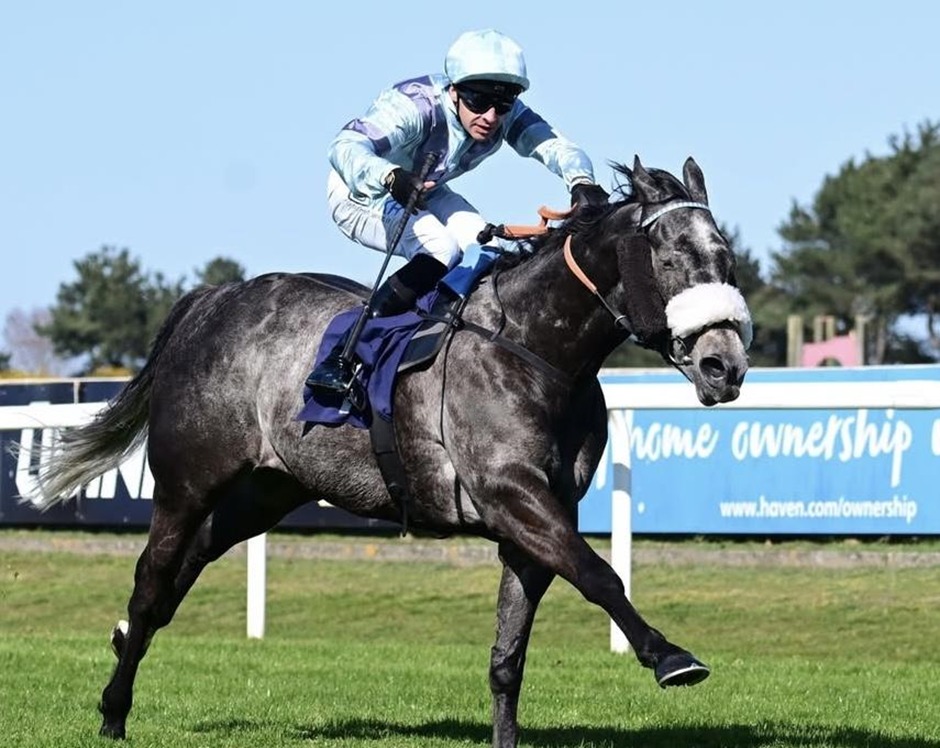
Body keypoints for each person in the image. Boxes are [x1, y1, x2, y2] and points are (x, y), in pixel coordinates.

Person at [307, 28, 609, 394]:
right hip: (359, 191)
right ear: (454, 91)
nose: (491, 116)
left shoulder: (503, 115)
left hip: (426, 189)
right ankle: (342, 356)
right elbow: (344, 145)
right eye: (479, 102)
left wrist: (582, 182)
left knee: (486, 249)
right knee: (440, 248)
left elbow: (556, 146)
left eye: (503, 105)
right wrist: (390, 176)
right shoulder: (413, 106)